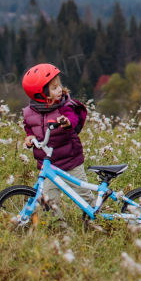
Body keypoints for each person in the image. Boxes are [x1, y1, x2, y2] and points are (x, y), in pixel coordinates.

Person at [22, 64, 91, 215]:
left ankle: (101, 220)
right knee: (48, 201)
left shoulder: (64, 106)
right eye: (54, 88)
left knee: (84, 196)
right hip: (48, 165)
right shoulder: (28, 112)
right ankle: (60, 230)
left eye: (59, 85)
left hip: (70, 161)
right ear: (40, 94)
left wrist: (66, 122)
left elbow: (72, 117)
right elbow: (28, 125)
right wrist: (30, 136)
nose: (60, 89)